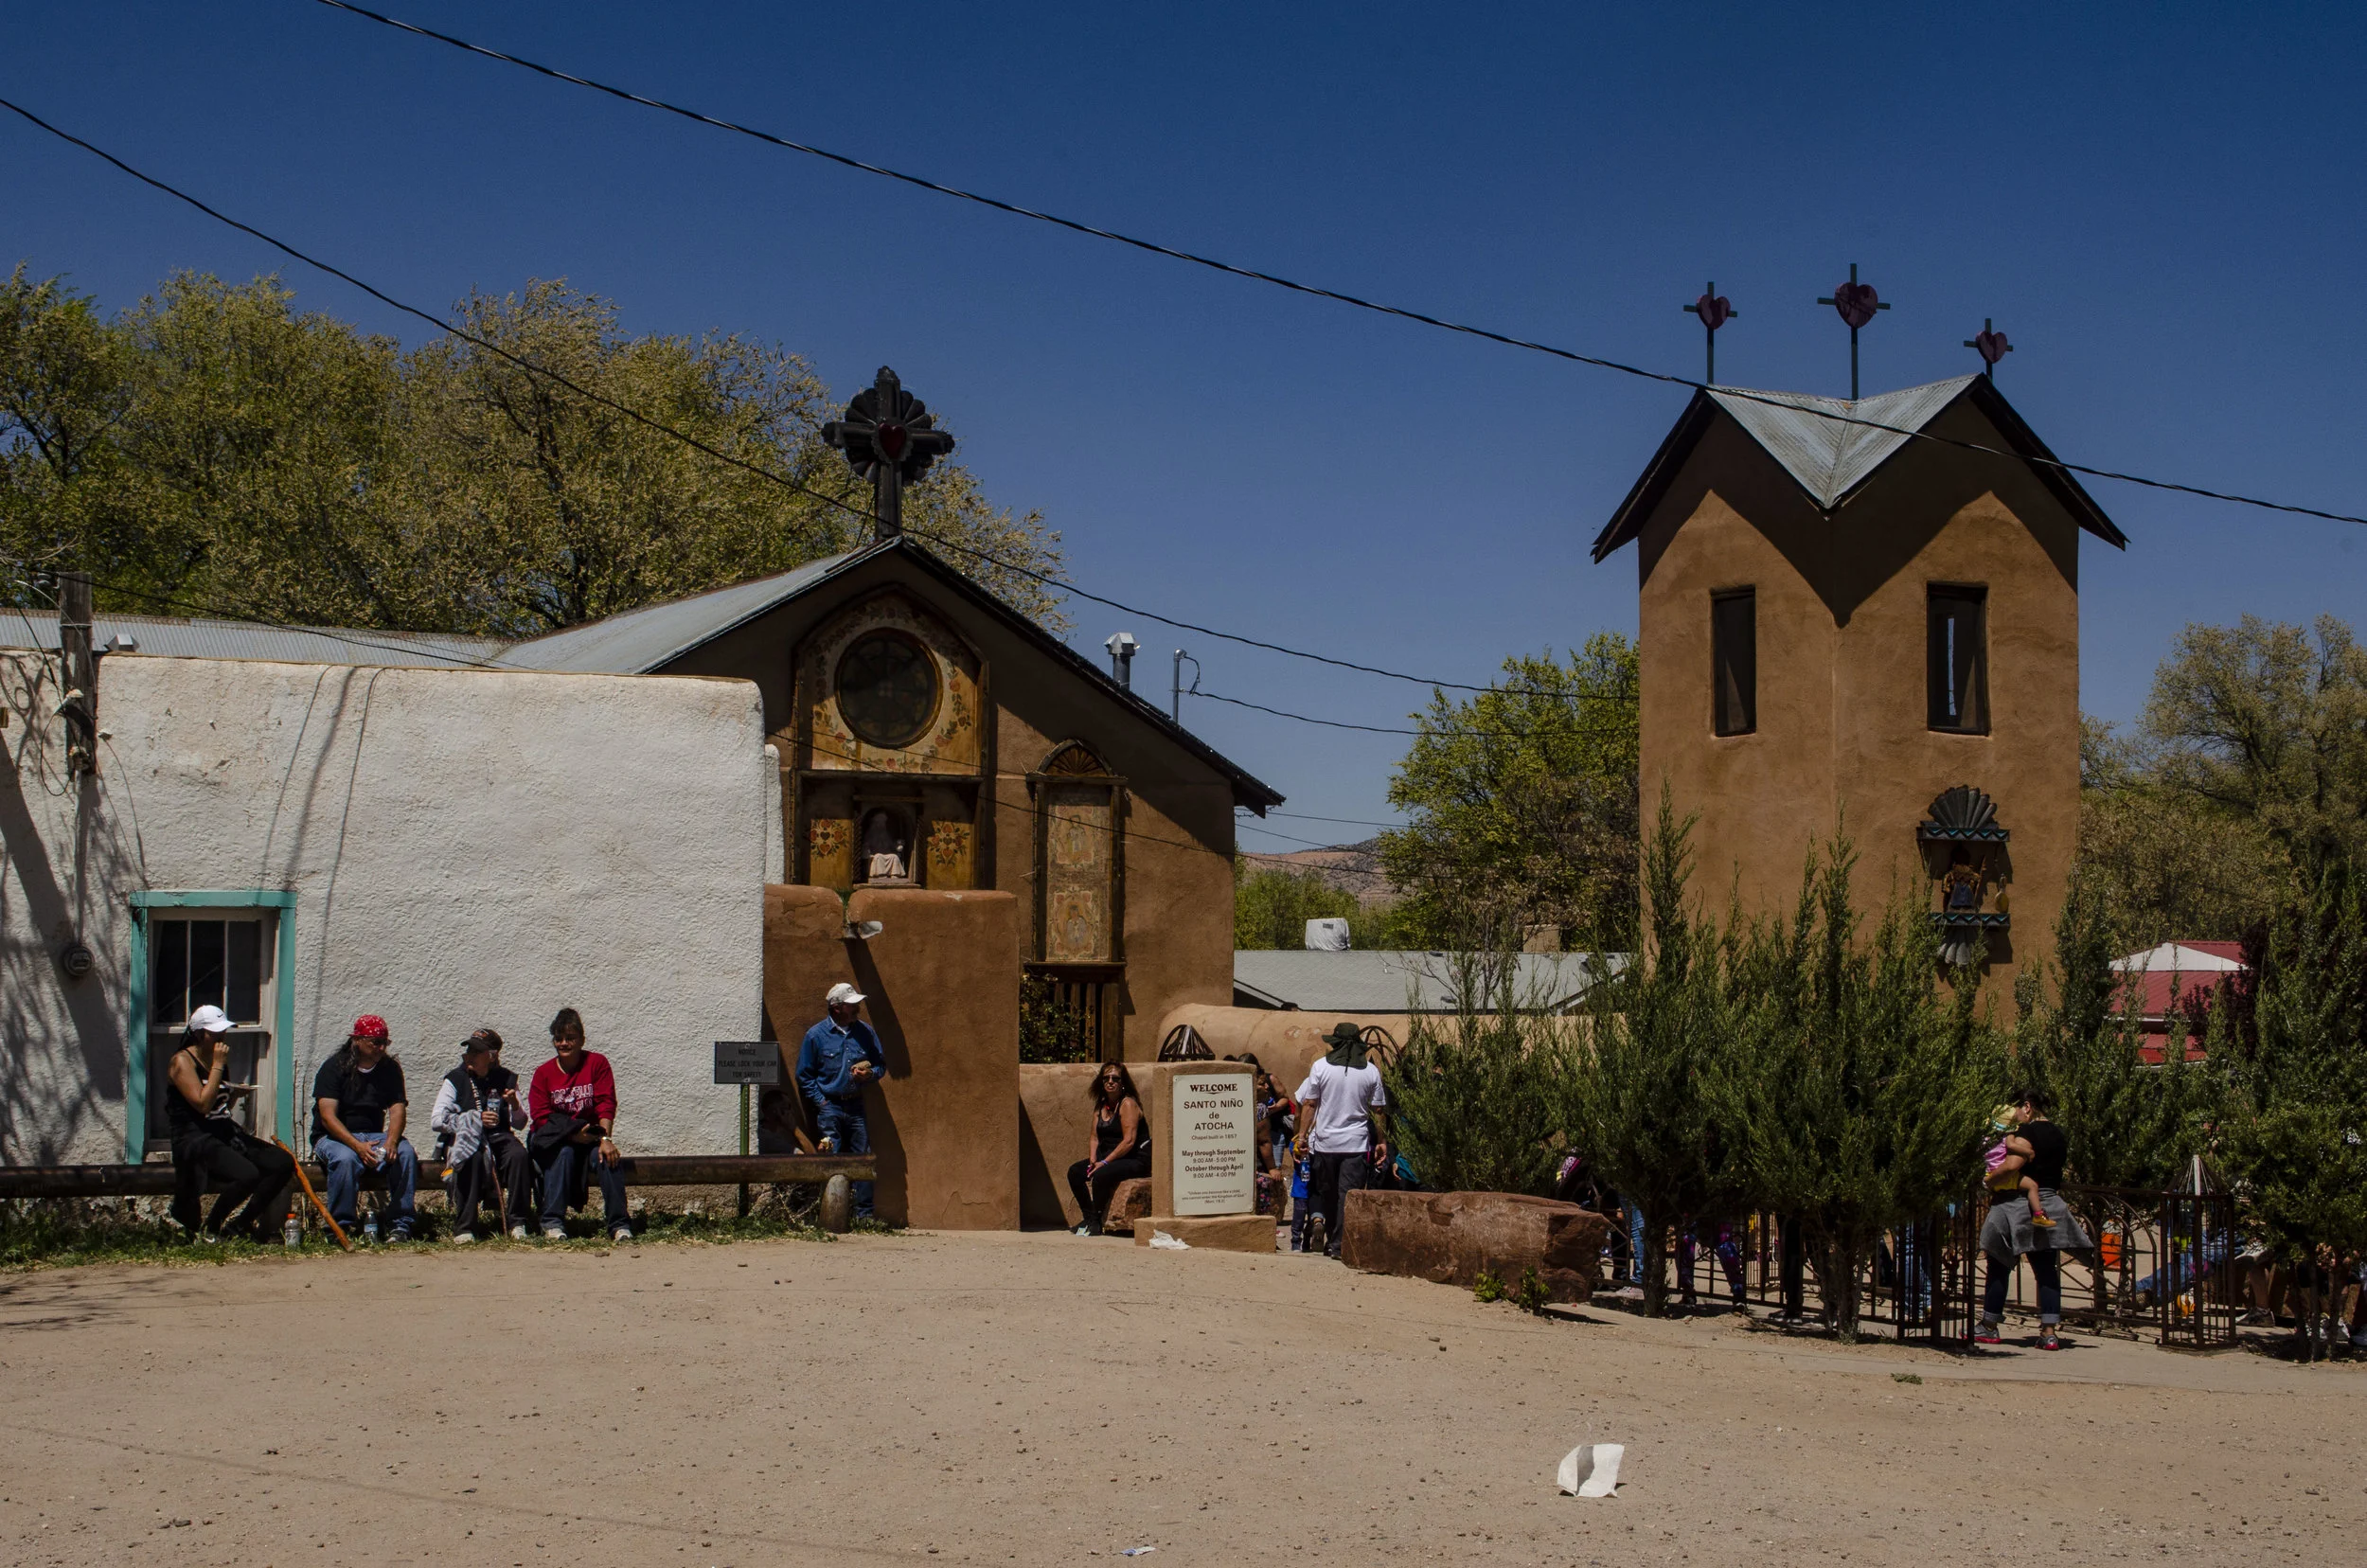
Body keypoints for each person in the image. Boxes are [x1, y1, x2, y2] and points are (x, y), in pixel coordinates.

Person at [163, 1004, 294, 1241]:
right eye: (215, 1033)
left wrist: (233, 1095)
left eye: (223, 1032)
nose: (221, 1038)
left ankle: (240, 1224)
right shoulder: (182, 1062)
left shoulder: (216, 1061)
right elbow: (201, 1104)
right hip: (195, 1137)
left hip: (221, 1130)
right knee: (248, 1174)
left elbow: (217, 1106)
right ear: (200, 1033)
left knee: (281, 1162)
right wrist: (218, 1065)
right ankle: (211, 1227)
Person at [1975, 1089, 2088, 1349]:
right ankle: (2049, 1332)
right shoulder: (2059, 1135)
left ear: (2027, 1107)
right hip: (2049, 1203)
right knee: (2047, 1270)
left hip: (2014, 1204)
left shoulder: (2025, 1132)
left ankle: (1989, 1325)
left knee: (1999, 1264)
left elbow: (2012, 1165)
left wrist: (1989, 1180)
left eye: (2015, 1109)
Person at [528, 1007, 631, 1242]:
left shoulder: (597, 1063)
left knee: (609, 1158)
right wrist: (573, 1134)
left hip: (591, 1138)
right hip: (555, 1140)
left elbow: (606, 1102)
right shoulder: (543, 1073)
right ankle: (552, 1221)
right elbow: (541, 1116)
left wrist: (605, 1139)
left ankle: (619, 1224)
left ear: (581, 1040)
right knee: (562, 1154)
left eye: (570, 1038)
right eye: (559, 1038)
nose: (564, 1043)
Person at [311, 1014, 418, 1241]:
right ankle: (339, 1227)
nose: (380, 1048)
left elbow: (397, 1109)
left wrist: (391, 1141)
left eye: (384, 1043)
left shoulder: (389, 1069)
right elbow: (328, 1117)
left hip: (374, 1134)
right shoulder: (334, 1067)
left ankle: (401, 1224)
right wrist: (357, 1146)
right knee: (345, 1159)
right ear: (357, 1040)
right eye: (374, 1042)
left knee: (405, 1154)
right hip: (333, 1136)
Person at [1292, 1022, 1388, 1260]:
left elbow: (1310, 1103)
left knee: (1329, 1194)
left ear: (1334, 1042)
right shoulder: (1371, 1071)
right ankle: (1338, 1244)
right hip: (1356, 1144)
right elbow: (1378, 1111)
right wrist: (1382, 1141)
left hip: (1325, 1144)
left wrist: (1302, 1136)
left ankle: (1334, 1241)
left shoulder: (1320, 1067)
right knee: (1348, 1195)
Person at [429, 1028, 531, 1242]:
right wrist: (473, 1118)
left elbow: (520, 1123)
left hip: (499, 1135)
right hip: (468, 1137)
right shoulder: (456, 1078)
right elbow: (437, 1120)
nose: (468, 1056)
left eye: (476, 1052)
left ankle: (518, 1222)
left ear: (492, 1056)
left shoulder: (506, 1078)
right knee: (470, 1157)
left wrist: (513, 1104)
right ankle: (465, 1227)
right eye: (469, 1050)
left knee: (519, 1155)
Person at [796, 982, 885, 1221]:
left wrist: (870, 1075)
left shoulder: (865, 1032)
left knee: (863, 1158)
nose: (858, 1008)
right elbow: (804, 1075)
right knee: (830, 1157)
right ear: (837, 1008)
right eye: (852, 1004)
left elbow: (880, 1065)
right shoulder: (816, 1036)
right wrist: (821, 1103)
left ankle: (864, 1217)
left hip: (856, 1104)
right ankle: (830, 1214)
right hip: (830, 1105)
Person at [1066, 1061, 1152, 1236]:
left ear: (1123, 1082)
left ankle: (1096, 1219)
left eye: (1115, 1078)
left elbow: (1129, 1141)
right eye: (1106, 1078)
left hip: (1134, 1159)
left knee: (1100, 1175)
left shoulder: (1127, 1104)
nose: (1110, 1082)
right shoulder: (1101, 1106)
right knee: (1075, 1172)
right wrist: (1093, 1159)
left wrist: (1104, 1162)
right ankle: (1089, 1218)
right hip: (1107, 1158)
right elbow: (1094, 1136)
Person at [1982, 1102, 2054, 1230]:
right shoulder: (2008, 1135)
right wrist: (2028, 1152)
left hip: (1991, 1174)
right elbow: (2011, 1146)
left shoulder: (1986, 1138)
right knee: (2032, 1186)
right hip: (2008, 1177)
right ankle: (2038, 1215)